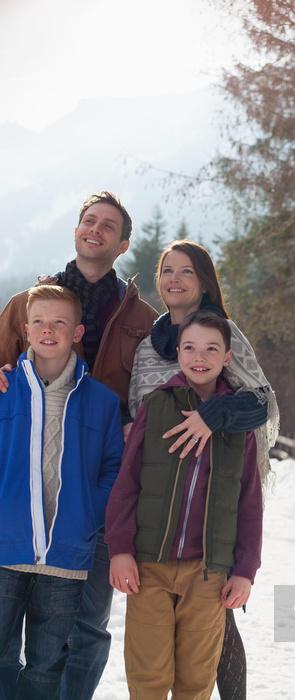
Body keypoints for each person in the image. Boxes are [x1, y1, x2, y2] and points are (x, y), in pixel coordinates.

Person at [0, 191, 159, 700]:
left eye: (108, 225)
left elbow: (165, 385)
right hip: (21, 500)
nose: (96, 229)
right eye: (88, 221)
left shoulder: (142, 320)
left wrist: (141, 425)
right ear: (75, 231)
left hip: (94, 495)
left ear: (123, 243)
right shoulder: (30, 303)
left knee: (86, 624)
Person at [126, 239, 279, 700]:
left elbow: (265, 403)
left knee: (217, 625)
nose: (174, 278)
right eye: (167, 270)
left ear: (204, 281)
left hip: (218, 483)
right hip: (162, 495)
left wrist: (215, 416)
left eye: (186, 271)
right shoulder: (150, 346)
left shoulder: (223, 334)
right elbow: (136, 409)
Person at [105, 310, 263, 700]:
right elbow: (126, 483)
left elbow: (249, 502)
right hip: (150, 568)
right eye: (190, 347)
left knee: (196, 679)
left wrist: (245, 569)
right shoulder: (156, 406)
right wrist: (120, 550)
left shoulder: (238, 420)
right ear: (177, 353)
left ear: (227, 357)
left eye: (211, 349)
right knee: (148, 675)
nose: (200, 356)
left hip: (208, 573)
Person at [0, 285, 124, 700]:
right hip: (4, 549)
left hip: (66, 557)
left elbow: (114, 468)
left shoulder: (102, 402)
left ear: (76, 332)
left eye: (59, 323)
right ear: (25, 330)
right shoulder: (4, 391)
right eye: (39, 322)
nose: (48, 330)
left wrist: (89, 516)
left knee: (47, 665)